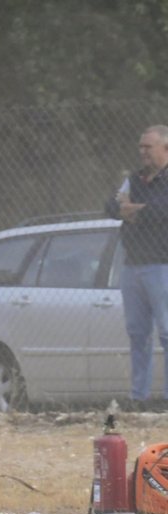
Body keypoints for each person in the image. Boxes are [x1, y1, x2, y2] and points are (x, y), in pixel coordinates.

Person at [105, 125, 168, 406]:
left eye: (148, 147)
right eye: (141, 146)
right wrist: (137, 210)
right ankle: (139, 397)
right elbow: (109, 206)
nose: (142, 151)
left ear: (165, 149)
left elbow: (161, 211)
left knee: (166, 332)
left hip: (162, 266)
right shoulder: (135, 179)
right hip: (133, 267)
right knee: (137, 334)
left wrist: (130, 209)